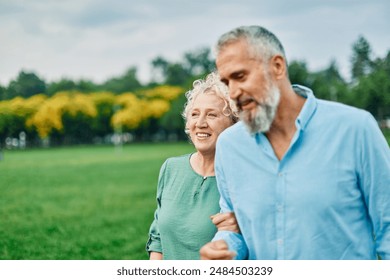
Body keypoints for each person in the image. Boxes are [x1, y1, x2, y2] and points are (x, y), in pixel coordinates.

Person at [200, 25, 390, 260]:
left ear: (277, 66)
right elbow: (234, 228)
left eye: (240, 76)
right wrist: (224, 248)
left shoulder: (355, 129)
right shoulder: (229, 146)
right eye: (227, 82)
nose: (234, 92)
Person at [146, 71, 240, 260]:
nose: (200, 123)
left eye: (212, 115)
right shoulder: (170, 168)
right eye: (194, 114)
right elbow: (157, 239)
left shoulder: (242, 178)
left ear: (234, 124)